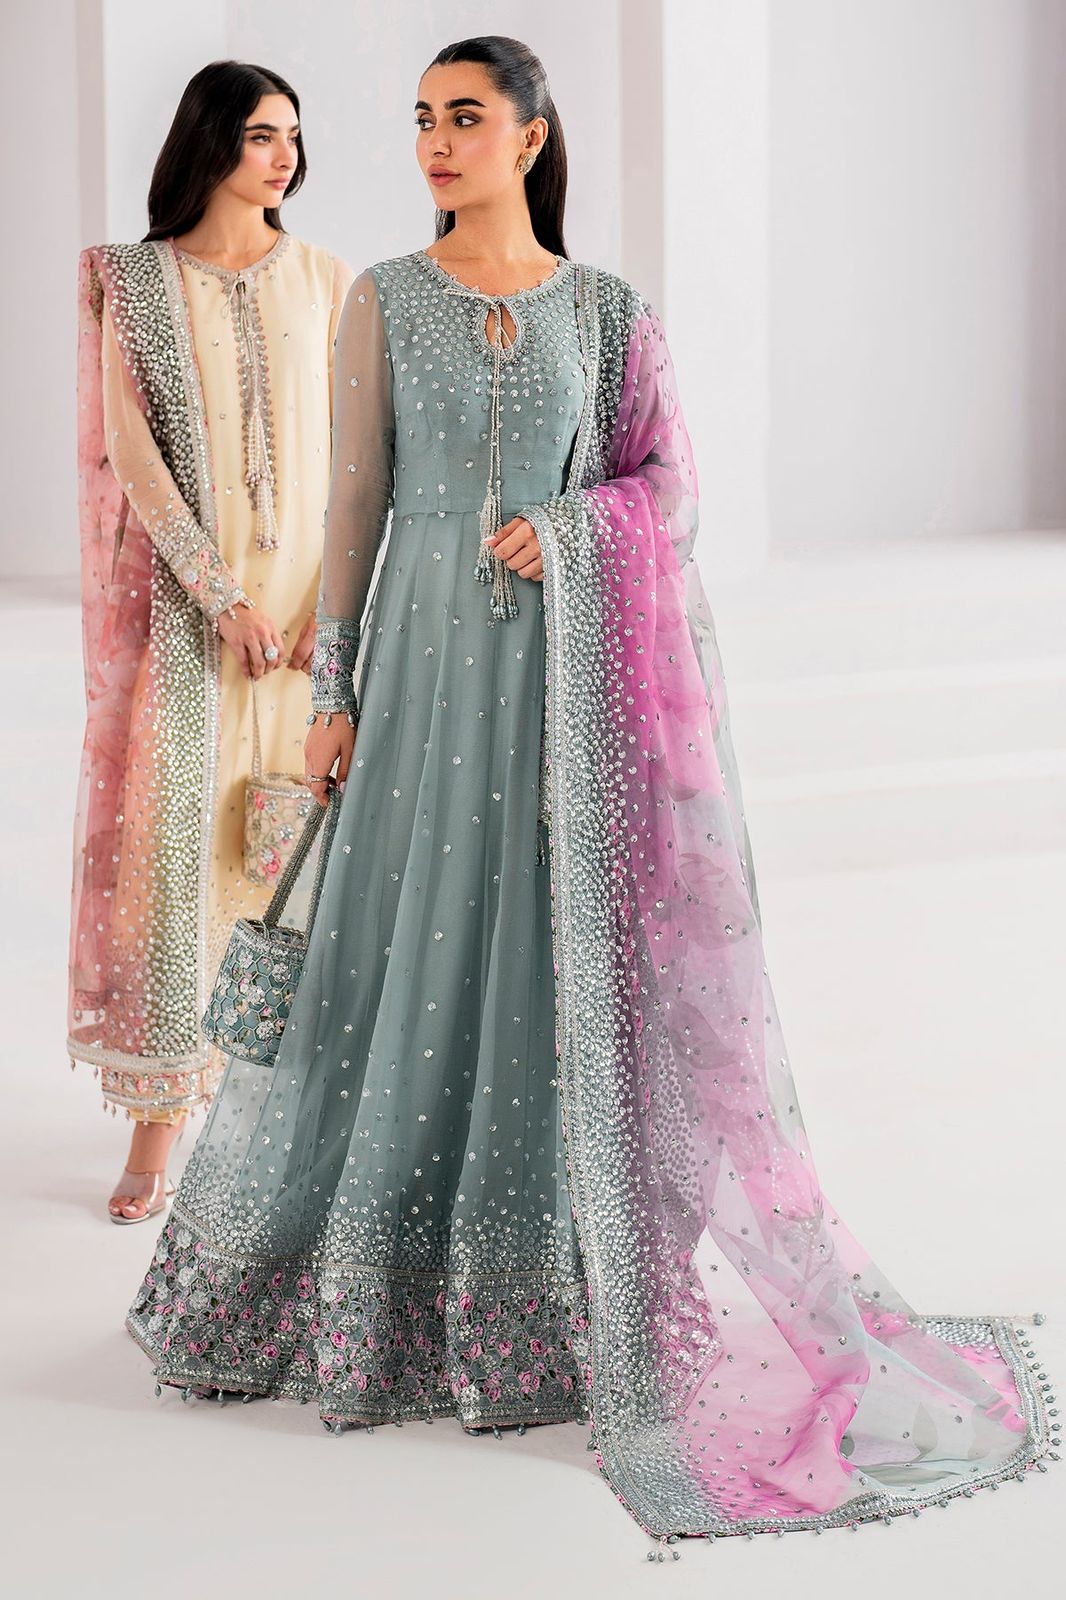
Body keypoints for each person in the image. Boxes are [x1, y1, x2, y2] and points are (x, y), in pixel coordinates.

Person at [127, 36, 1052, 1546]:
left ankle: (549, 1286)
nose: (435, 142)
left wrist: (567, 529)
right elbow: (354, 502)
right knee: (397, 949)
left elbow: (669, 493)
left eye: (464, 117)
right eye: (421, 120)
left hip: (563, 701)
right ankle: (373, 1283)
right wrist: (332, 694)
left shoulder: (608, 314)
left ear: (531, 136)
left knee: (539, 963)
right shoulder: (381, 298)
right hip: (419, 681)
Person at [70, 60, 353, 1221]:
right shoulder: (135, 281)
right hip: (199, 616)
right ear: (210, 141)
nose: (283, 156)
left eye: (292, 135)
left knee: (293, 857)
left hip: (309, 619)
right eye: (260, 135)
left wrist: (329, 608)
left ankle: (289, 1130)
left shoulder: (326, 278)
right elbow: (131, 451)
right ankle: (158, 1127)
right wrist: (221, 595)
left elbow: (355, 457)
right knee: (177, 856)